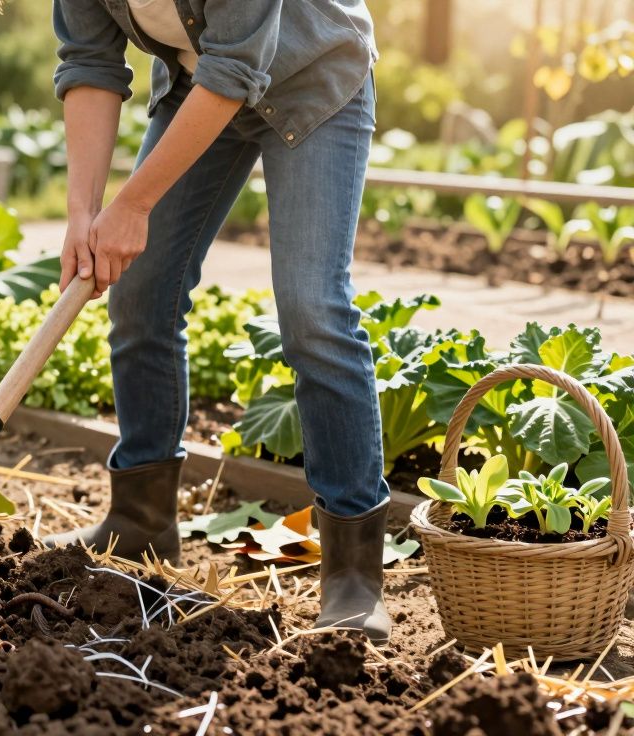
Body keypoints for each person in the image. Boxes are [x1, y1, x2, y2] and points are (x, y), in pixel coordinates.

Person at [36, 0, 391, 643]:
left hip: (314, 82)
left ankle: (354, 574)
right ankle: (141, 521)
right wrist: (84, 215)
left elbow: (236, 66)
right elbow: (90, 62)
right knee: (140, 290)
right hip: (201, 91)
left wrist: (133, 204)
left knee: (313, 308)